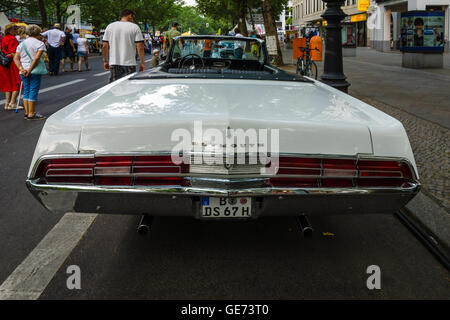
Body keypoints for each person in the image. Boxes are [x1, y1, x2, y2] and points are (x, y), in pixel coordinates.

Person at [102, 9, 145, 83]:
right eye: (133, 17)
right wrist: (142, 63)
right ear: (130, 16)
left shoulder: (110, 26)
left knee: (114, 87)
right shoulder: (135, 27)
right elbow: (140, 47)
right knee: (129, 87)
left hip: (114, 62)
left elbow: (104, 46)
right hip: (129, 63)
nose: (133, 20)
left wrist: (105, 61)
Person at [13, 24, 46, 120]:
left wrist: (21, 68)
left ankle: (27, 112)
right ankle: (32, 113)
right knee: (33, 91)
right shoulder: (40, 44)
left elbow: (16, 58)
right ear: (38, 32)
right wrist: (30, 70)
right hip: (34, 70)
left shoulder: (21, 44)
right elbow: (36, 59)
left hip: (23, 70)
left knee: (26, 91)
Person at [0, 24, 22, 111]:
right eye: (15, 29)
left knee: (8, 84)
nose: (17, 31)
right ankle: (12, 103)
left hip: (4, 63)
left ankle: (7, 103)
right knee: (16, 83)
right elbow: (13, 52)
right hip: (12, 63)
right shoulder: (12, 38)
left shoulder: (4, 38)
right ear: (11, 30)